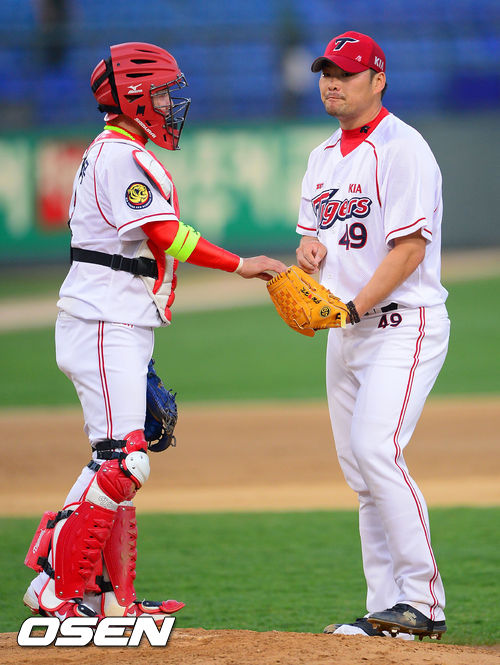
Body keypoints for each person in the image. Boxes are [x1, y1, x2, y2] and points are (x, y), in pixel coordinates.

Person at [23, 42, 286, 621]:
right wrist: (241, 264)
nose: (170, 104)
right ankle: (54, 586)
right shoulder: (120, 156)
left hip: (117, 317)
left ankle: (111, 599)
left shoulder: (117, 152)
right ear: (135, 96)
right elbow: (165, 234)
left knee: (116, 460)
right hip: (103, 318)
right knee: (124, 463)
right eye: (162, 93)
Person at [295, 32, 450, 640]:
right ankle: (389, 611)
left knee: (377, 450)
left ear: (378, 80)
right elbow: (315, 239)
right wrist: (309, 253)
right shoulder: (321, 156)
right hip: (348, 331)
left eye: (346, 73)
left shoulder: (404, 148)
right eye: (326, 73)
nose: (331, 83)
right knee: (362, 473)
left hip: (402, 324)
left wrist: (352, 307)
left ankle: (423, 600)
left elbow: (409, 250)